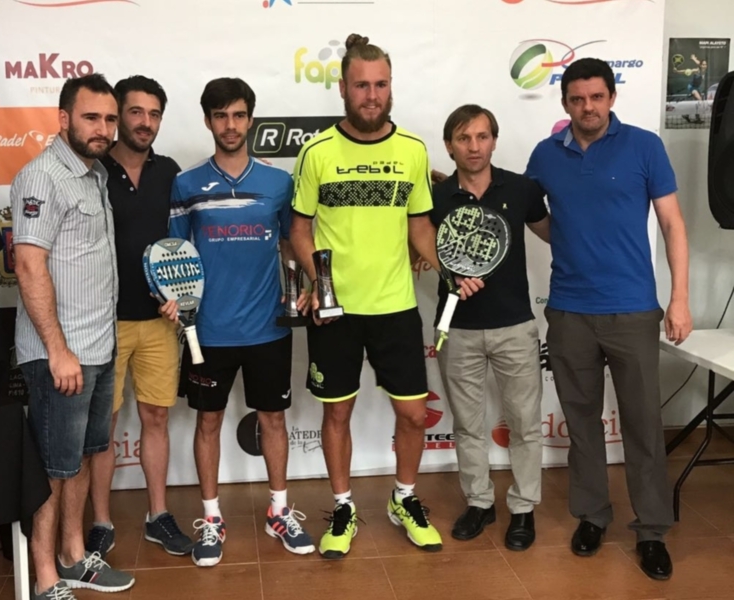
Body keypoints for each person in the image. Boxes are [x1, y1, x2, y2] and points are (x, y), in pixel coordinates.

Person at [291, 33, 482, 559]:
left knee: (415, 415)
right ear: (343, 88)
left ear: (391, 86)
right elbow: (300, 230)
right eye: (361, 86)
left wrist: (450, 270)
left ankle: (404, 498)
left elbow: (420, 227)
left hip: (396, 306)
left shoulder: (412, 150)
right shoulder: (316, 152)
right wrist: (319, 284)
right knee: (337, 416)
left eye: (380, 85)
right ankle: (343, 507)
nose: (371, 95)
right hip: (336, 311)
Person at [525, 57, 692, 580]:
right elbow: (530, 212)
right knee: (581, 424)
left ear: (612, 98)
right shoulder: (545, 154)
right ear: (565, 103)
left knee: (643, 424)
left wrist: (680, 298)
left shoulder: (645, 146)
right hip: (569, 310)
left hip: (633, 309)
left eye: (596, 97)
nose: (588, 107)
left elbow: (672, 223)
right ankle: (592, 516)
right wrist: (568, 238)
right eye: (577, 99)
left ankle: (651, 530)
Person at [165, 77, 314, 568]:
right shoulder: (186, 184)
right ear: (208, 121)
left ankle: (279, 511)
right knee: (207, 421)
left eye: (238, 115)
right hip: (207, 331)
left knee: (274, 419)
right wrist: (174, 299)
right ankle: (211, 517)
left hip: (268, 326)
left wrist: (303, 284)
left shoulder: (278, 183)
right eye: (220, 116)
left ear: (250, 119)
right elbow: (174, 254)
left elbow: (292, 241)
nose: (230, 125)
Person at [12, 73, 134, 599]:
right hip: (58, 356)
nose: (103, 128)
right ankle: (45, 578)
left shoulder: (95, 175)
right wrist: (58, 351)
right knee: (51, 469)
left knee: (82, 458)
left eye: (109, 119)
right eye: (91, 117)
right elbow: (28, 265)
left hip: (97, 349)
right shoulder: (42, 177)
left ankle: (74, 555)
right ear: (63, 119)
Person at [430, 104, 549, 551]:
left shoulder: (521, 189)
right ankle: (479, 502)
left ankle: (523, 508)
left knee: (525, 424)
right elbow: (418, 246)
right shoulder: (436, 198)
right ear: (450, 146)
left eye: (482, 137)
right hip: (457, 328)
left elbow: (555, 234)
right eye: (464, 138)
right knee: (467, 425)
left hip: (515, 326)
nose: (474, 146)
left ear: (494, 141)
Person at [85, 75, 193, 560]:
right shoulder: (91, 169)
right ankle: (101, 522)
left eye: (154, 114)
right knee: (102, 429)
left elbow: (183, 246)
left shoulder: (170, 172)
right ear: (118, 115)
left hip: (158, 322)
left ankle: (158, 515)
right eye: (135, 112)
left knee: (156, 417)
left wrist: (180, 295)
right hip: (102, 323)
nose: (145, 122)